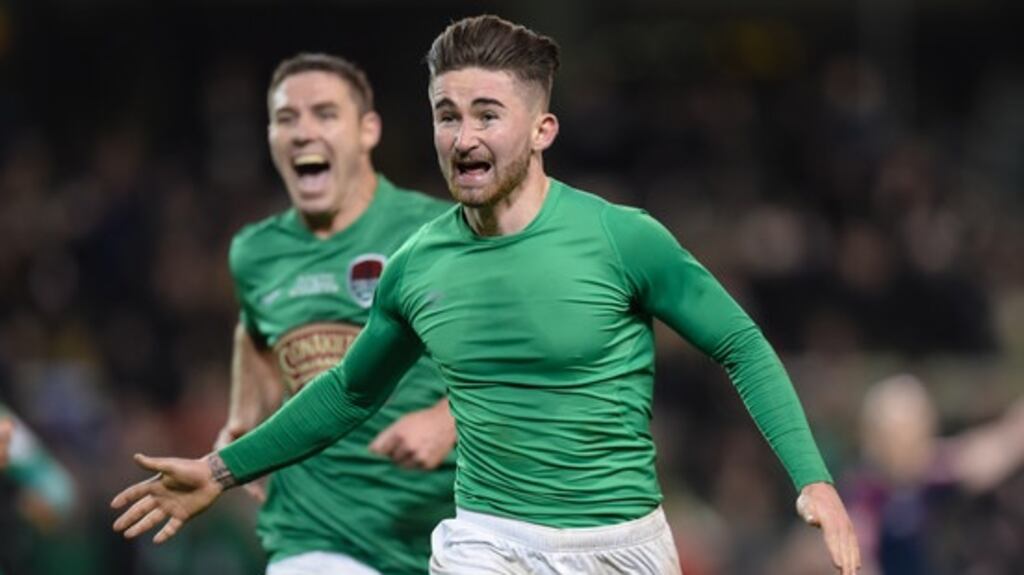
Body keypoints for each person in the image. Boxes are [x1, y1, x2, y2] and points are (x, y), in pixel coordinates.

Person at [112, 15, 861, 575]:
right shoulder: (417, 264)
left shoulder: (621, 239)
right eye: (447, 114)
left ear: (542, 129)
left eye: (486, 114)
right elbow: (348, 392)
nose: (462, 136)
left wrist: (814, 479)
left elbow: (739, 343)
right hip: (489, 540)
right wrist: (219, 469)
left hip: (623, 545)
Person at [214, 53, 457, 574]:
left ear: (368, 130)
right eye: (286, 119)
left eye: (324, 114)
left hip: (443, 529)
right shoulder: (255, 254)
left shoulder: (438, 234)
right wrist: (242, 420)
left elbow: (522, 353)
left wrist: (447, 419)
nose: (302, 132)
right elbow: (255, 333)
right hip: (313, 533)